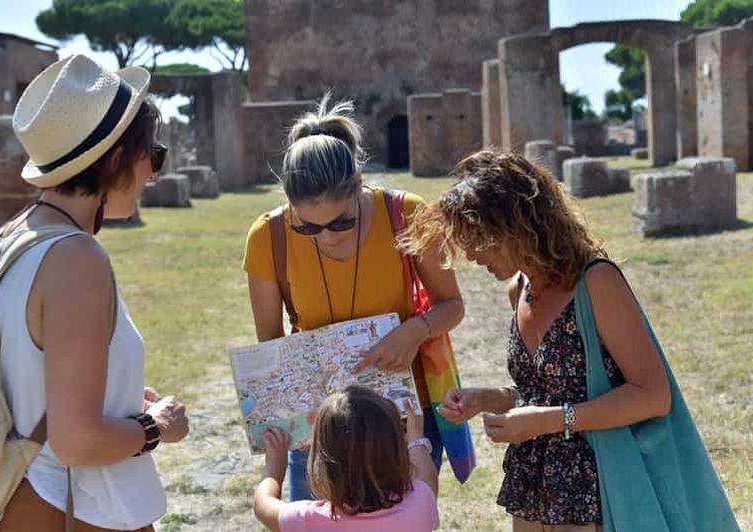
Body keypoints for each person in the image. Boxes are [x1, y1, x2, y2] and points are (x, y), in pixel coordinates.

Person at [401, 149, 673, 532]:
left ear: (516, 225)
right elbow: (546, 391)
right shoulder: (519, 289)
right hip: (533, 488)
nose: (470, 255)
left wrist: (548, 421)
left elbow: (653, 395)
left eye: (477, 238)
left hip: (600, 489)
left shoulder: (596, 282)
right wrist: (489, 399)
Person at [0, 54, 190, 531]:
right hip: (75, 508)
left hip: (10, 499)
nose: (153, 174)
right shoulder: (76, 258)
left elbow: (26, 384)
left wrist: (119, 396)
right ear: (115, 159)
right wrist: (157, 425)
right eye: (152, 156)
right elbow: (77, 442)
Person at [242, 94, 464, 499]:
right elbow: (271, 347)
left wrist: (416, 330)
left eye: (341, 221)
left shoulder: (407, 214)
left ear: (360, 184)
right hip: (320, 427)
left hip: (401, 419)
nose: (327, 237)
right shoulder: (267, 236)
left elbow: (452, 305)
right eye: (308, 227)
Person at [253, 385, 439, 531]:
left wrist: (275, 465)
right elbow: (427, 480)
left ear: (322, 462)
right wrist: (416, 439)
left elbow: (262, 505)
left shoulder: (308, 520)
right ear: (397, 452)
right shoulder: (420, 503)